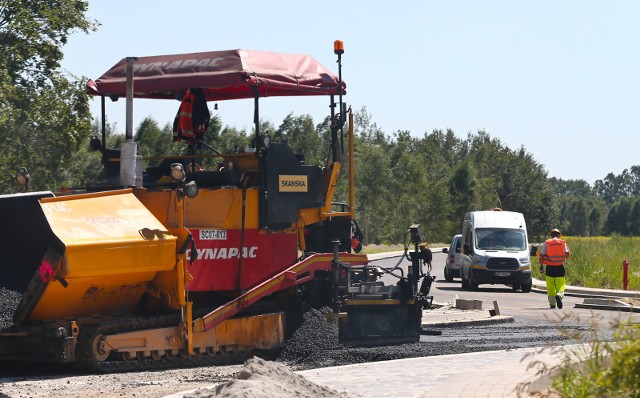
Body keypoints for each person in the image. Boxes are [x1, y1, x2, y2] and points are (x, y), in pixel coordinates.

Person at [538, 228, 571, 309]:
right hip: (559, 267)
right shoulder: (562, 242)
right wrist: (563, 258)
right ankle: (559, 296)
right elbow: (567, 253)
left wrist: (541, 266)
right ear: (559, 235)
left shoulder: (547, 243)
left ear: (551, 235)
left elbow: (542, 255)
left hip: (549, 268)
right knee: (560, 285)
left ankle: (552, 304)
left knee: (550, 287)